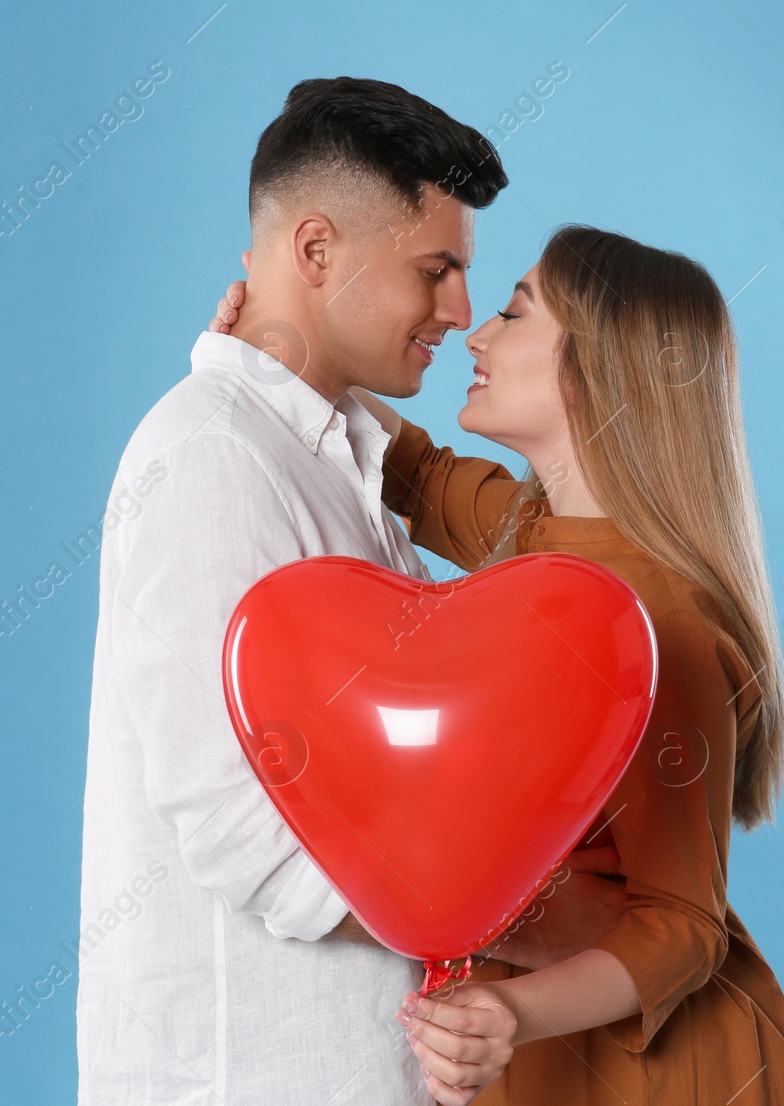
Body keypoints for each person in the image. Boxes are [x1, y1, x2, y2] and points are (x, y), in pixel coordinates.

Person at [78, 78, 627, 1106]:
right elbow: (239, 823)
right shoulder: (210, 457)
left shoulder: (334, 463)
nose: (460, 309)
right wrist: (540, 920)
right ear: (316, 251)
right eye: (437, 269)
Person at [209, 225, 784, 1106]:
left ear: (598, 367)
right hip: (532, 1056)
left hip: (663, 1074)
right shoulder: (527, 535)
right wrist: (275, 349)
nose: (477, 333)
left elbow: (683, 925)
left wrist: (513, 1014)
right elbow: (412, 474)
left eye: (513, 311)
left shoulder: (668, 626)